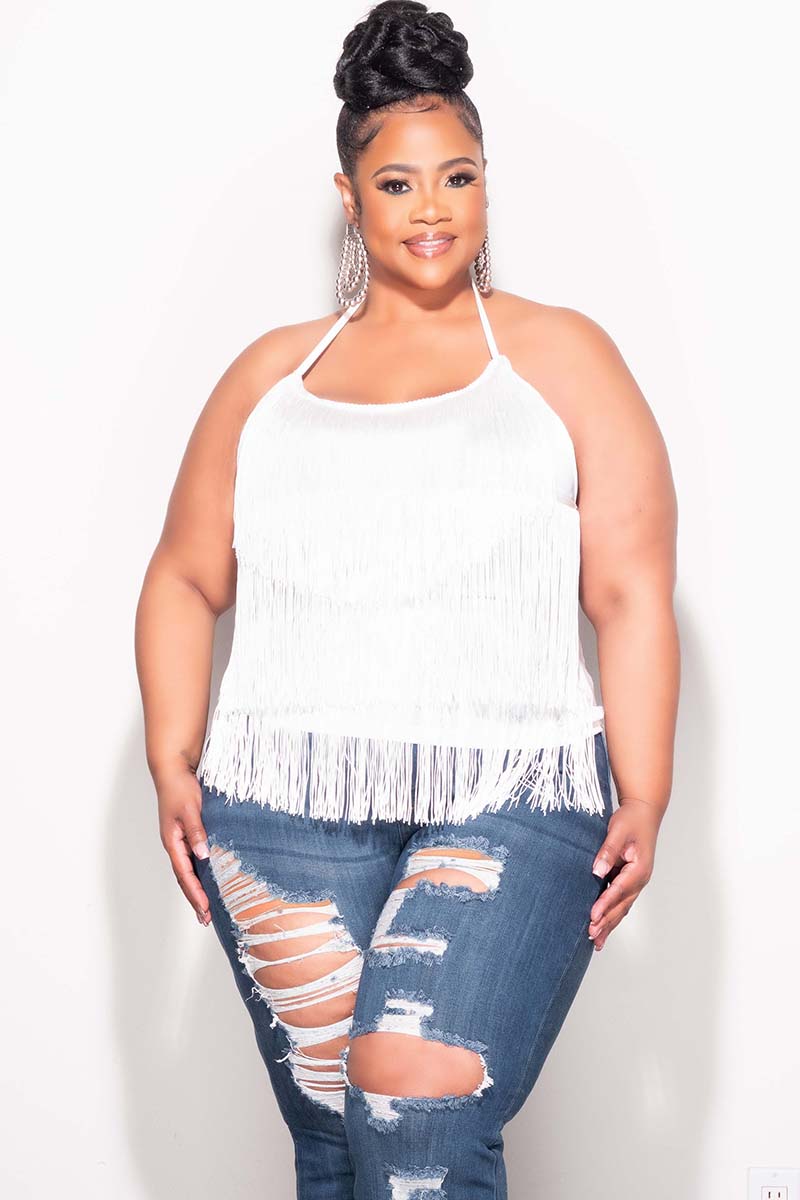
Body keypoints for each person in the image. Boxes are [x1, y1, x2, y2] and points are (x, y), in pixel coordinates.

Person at [134, 2, 679, 1196]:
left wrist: (643, 787)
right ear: (348, 197)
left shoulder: (558, 357)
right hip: (281, 797)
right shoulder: (273, 377)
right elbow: (183, 573)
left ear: (486, 185)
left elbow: (629, 586)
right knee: (339, 1141)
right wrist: (172, 759)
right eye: (396, 183)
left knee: (411, 1104)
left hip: (514, 782)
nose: (431, 208)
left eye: (457, 177)